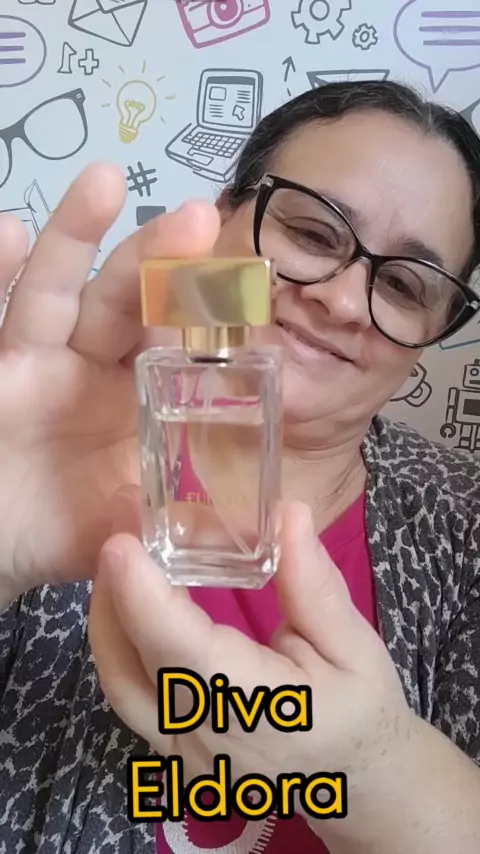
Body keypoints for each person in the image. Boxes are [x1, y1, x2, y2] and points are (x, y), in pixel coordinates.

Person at [0, 79, 479, 854]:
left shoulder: (464, 531)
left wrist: (382, 771)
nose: (344, 302)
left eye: (402, 284)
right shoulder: (51, 433)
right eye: (314, 232)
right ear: (224, 216)